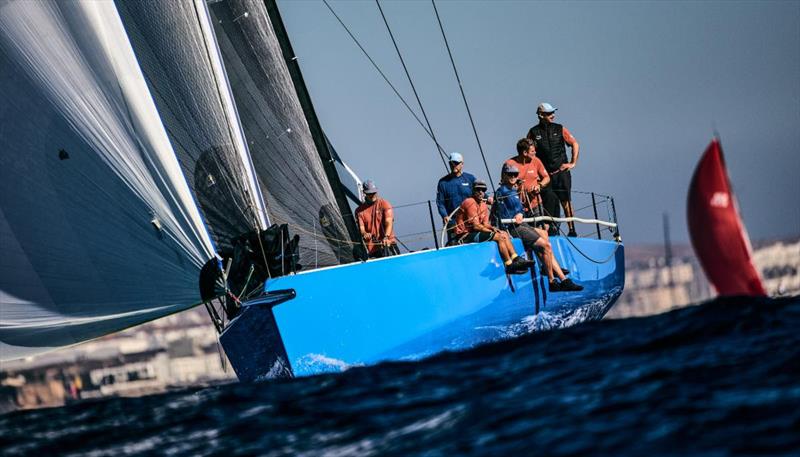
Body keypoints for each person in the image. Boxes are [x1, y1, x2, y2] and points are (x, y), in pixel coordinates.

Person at [494, 164, 584, 291]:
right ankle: (553, 281)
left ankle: (559, 277)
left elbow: (520, 209)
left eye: (515, 174)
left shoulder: (513, 191)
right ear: (504, 175)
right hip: (514, 228)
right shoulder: (502, 192)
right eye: (510, 174)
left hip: (522, 224)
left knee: (544, 234)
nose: (513, 177)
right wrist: (515, 217)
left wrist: (520, 213)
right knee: (545, 246)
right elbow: (501, 213)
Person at [454, 180, 533, 275]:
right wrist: (491, 232)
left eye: (483, 190)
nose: (481, 192)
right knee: (498, 237)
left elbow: (485, 223)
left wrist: (493, 228)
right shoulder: (470, 202)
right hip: (465, 236)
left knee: (503, 233)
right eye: (478, 189)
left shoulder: (483, 204)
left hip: (475, 232)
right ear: (473, 191)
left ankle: (516, 259)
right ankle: (509, 265)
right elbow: (476, 226)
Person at [527, 102, 580, 237]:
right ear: (541, 115)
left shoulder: (560, 128)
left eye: (553, 113)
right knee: (547, 201)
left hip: (561, 172)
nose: (553, 115)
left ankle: (572, 229)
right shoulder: (533, 132)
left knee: (565, 200)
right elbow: (527, 151)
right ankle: (549, 231)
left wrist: (572, 163)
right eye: (549, 113)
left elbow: (574, 143)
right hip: (545, 175)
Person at [504, 138, 550, 221]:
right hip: (516, 206)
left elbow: (547, 178)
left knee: (539, 230)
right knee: (522, 232)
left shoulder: (536, 161)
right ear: (525, 152)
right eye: (532, 151)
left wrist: (539, 185)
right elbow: (504, 185)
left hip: (535, 205)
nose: (535, 153)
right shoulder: (509, 164)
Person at [436, 152, 476, 244]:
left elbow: (479, 193)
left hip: (470, 219)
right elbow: (440, 203)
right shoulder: (443, 182)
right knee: (454, 243)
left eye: (456, 163)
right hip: (453, 220)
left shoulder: (470, 178)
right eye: (451, 163)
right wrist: (444, 215)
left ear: (462, 164)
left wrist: (488, 199)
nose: (454, 165)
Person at [354, 180, 400, 258]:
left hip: (388, 246)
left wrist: (386, 237)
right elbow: (361, 229)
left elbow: (389, 223)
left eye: (374, 192)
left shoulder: (385, 204)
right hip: (373, 250)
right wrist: (365, 234)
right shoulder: (359, 211)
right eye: (369, 193)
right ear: (364, 193)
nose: (372, 195)